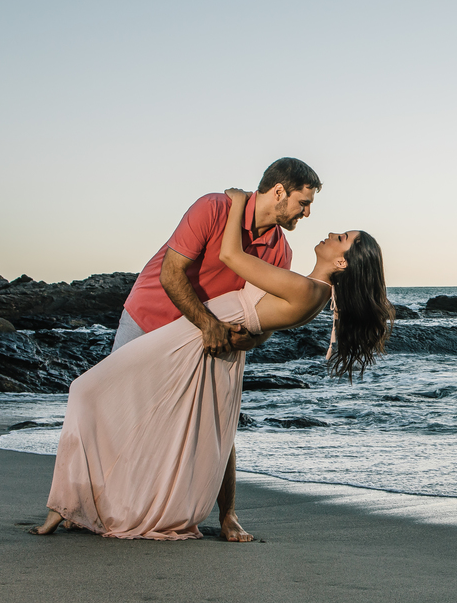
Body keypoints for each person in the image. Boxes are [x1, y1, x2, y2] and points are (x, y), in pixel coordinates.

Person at [30, 188, 393, 540]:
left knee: (88, 391)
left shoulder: (309, 290)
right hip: (200, 336)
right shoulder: (308, 287)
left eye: (341, 238)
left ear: (342, 262)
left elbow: (230, 256)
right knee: (157, 416)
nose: (331, 233)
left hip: (194, 341)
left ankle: (69, 504)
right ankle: (77, 502)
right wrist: (249, 336)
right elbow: (263, 317)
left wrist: (235, 202)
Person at [111, 157, 321, 540]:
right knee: (118, 413)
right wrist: (207, 323)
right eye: (303, 203)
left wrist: (252, 339)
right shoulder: (213, 208)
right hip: (149, 318)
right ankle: (92, 503)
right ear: (279, 191)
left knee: (219, 423)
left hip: (205, 342)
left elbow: (264, 318)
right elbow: (171, 273)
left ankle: (228, 516)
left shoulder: (280, 252)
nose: (307, 213)